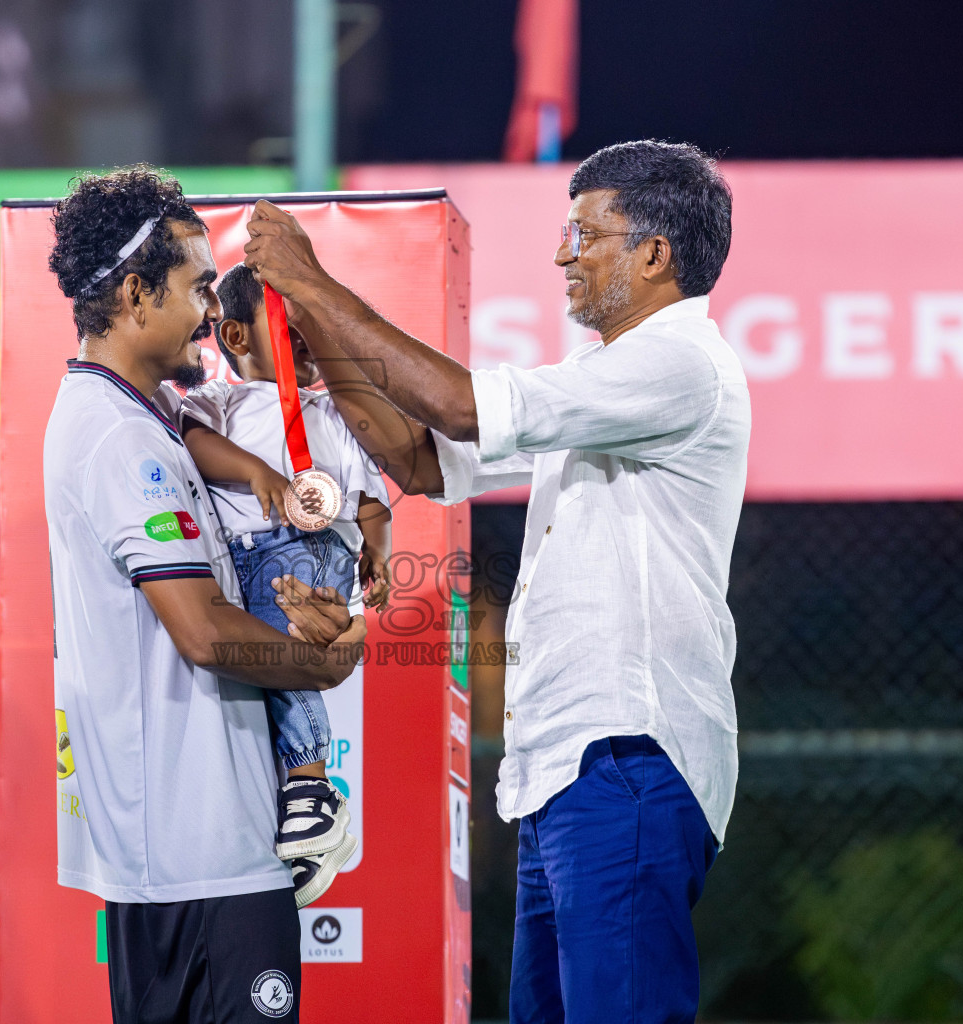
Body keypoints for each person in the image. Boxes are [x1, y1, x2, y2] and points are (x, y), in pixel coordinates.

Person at [243, 140, 749, 1024]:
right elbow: (422, 460)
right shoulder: (606, 384)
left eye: (584, 232)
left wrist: (314, 283)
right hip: (564, 772)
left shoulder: (680, 365)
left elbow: (460, 407)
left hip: (626, 757)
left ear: (655, 255)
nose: (562, 253)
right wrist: (309, 325)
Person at [43, 167, 366, 1024]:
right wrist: (321, 665)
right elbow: (204, 633)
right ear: (137, 296)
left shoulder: (147, 420)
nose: (208, 314)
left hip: (200, 854)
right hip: (199, 862)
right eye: (194, 289)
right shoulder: (120, 438)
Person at [178, 262, 392, 907]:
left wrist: (376, 554)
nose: (307, 344)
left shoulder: (333, 413)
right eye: (291, 330)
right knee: (254, 664)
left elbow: (371, 500)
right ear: (238, 337)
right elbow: (193, 442)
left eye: (312, 332)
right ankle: (295, 803)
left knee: (285, 643)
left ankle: (309, 782)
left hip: (311, 552)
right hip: (239, 559)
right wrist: (257, 473)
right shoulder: (218, 400)